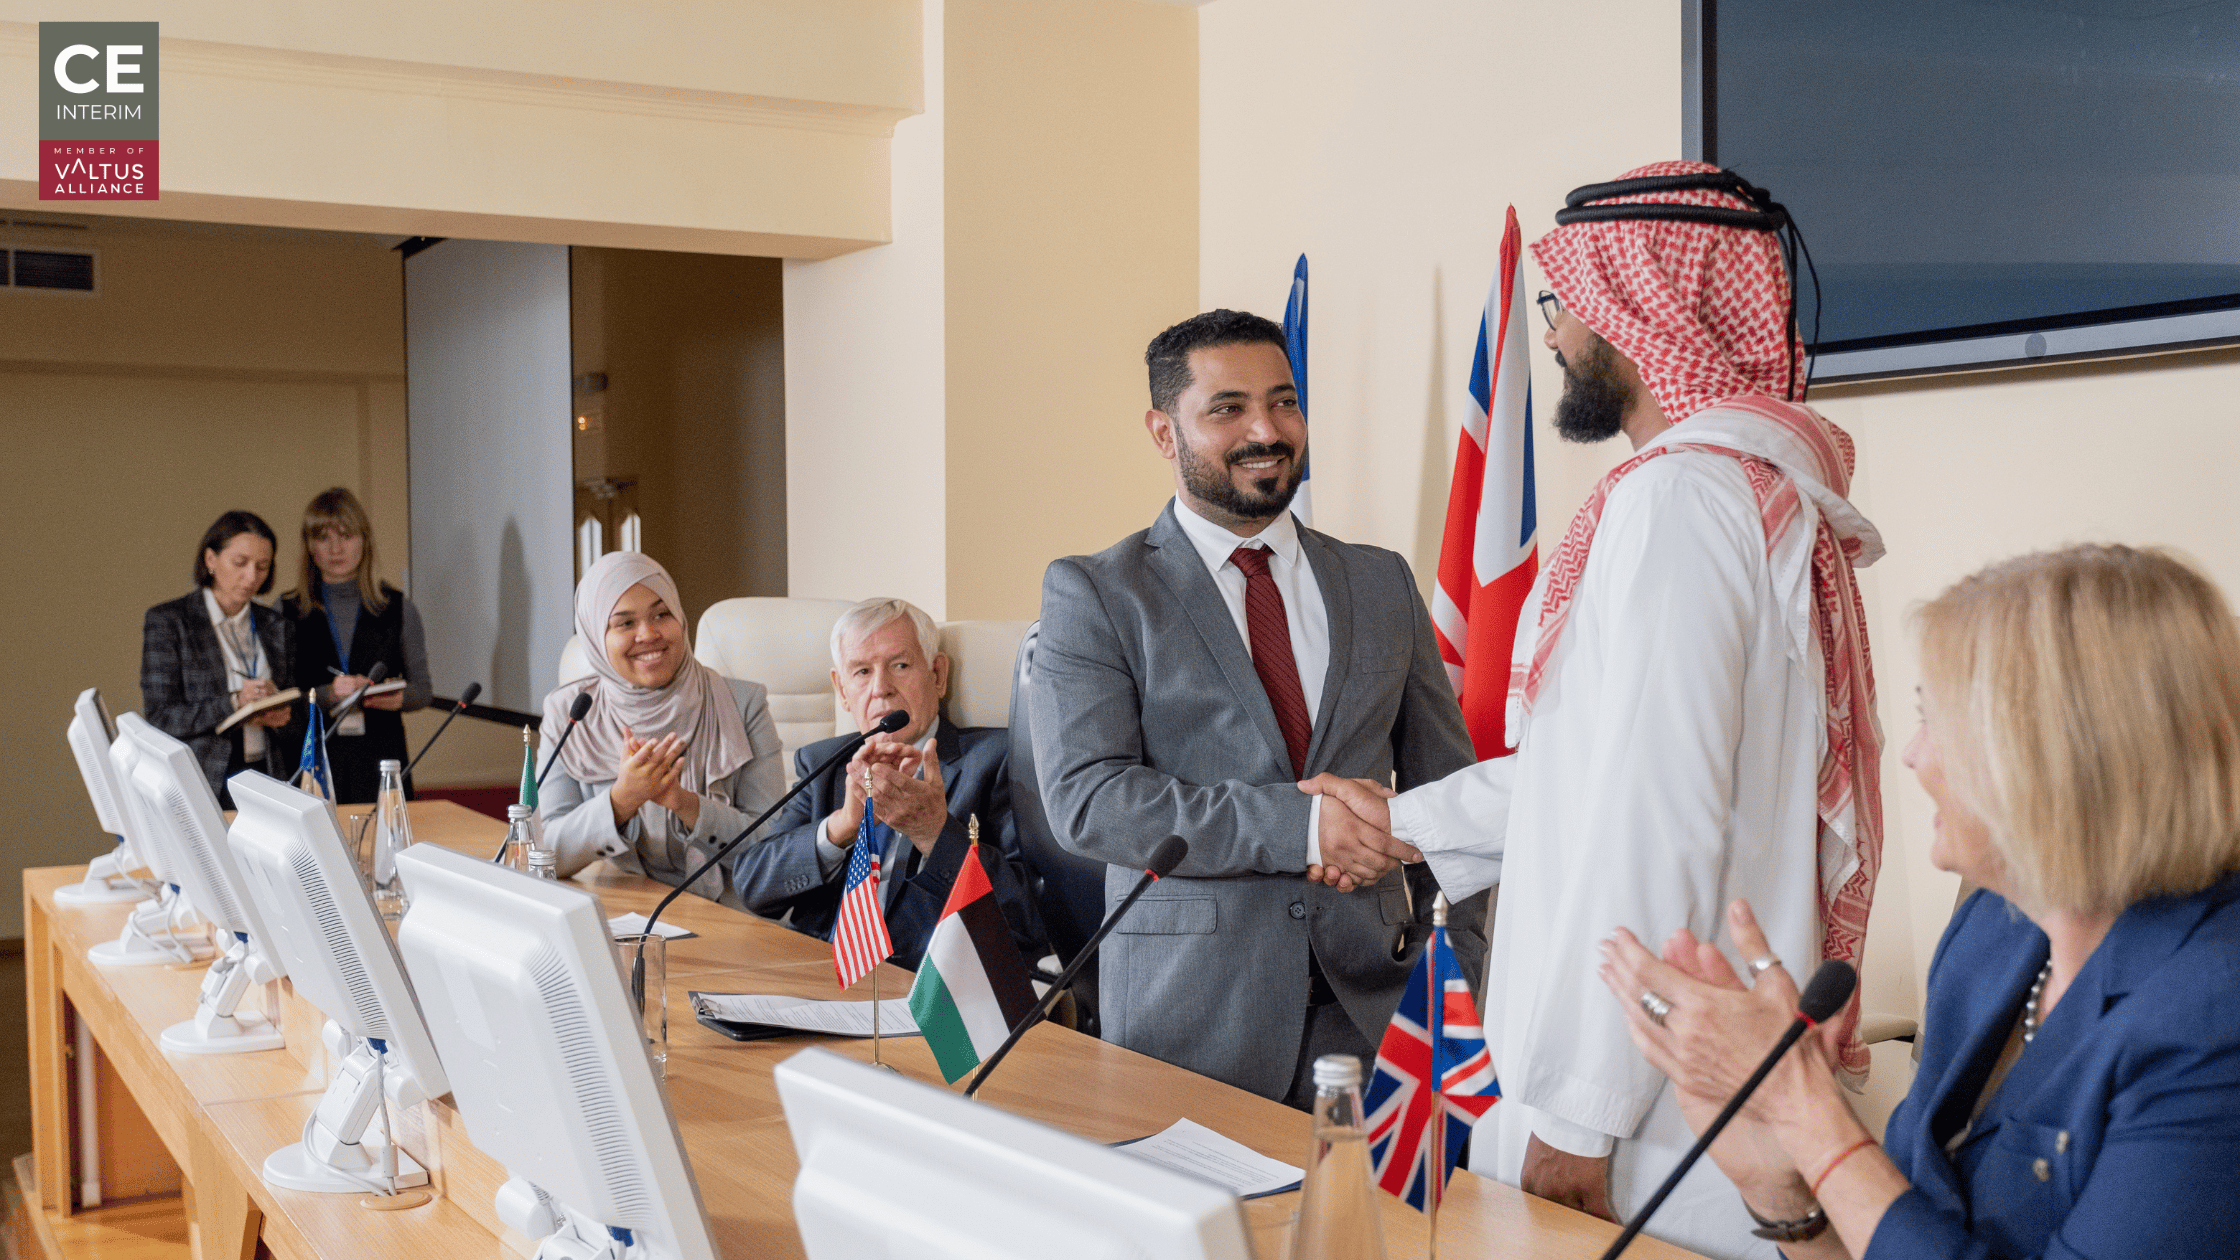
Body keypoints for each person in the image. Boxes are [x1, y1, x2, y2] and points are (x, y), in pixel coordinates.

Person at [1304, 162, 1884, 1255]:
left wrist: (1577, 1120)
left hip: (1652, 1117)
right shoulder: (1740, 490)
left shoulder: (1681, 499)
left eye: (1562, 303)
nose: (1554, 334)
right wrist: (1403, 825)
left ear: (1636, 307)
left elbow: (1652, 816)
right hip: (1680, 1075)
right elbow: (1599, 768)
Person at [1601, 544, 2240, 1259]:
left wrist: (1804, 1107)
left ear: (2050, 757)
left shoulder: (2215, 1017)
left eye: (1933, 719)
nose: (1911, 754)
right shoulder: (1993, 931)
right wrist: (1784, 1188)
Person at [1030, 309, 1480, 1108]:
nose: (1267, 430)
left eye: (1284, 402)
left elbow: (1452, 793)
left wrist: (1470, 980)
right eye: (1228, 408)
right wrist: (1302, 827)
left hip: (1382, 1020)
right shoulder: (1097, 592)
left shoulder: (1381, 581)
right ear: (1164, 433)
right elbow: (1088, 800)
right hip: (1188, 1028)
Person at [735, 598, 1043, 971]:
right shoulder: (824, 765)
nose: (881, 688)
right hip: (817, 974)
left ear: (937, 674)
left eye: (900, 666)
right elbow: (752, 885)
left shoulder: (999, 760)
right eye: (862, 672)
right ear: (842, 689)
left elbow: (1031, 918)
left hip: (924, 987)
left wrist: (935, 833)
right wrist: (842, 826)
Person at [542, 552, 784, 908]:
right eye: (625, 623)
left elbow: (776, 847)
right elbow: (544, 852)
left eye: (661, 614)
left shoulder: (743, 705)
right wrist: (621, 801)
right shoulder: (571, 713)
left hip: (731, 912)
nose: (648, 634)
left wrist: (684, 803)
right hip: (626, 907)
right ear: (595, 637)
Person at [281, 487, 433, 804]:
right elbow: (280, 701)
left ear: (364, 540)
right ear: (309, 546)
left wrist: (394, 698)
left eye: (346, 535)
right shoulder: (286, 612)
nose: (336, 548)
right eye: (323, 538)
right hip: (312, 759)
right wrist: (329, 694)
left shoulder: (398, 608)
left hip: (382, 758)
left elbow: (422, 691)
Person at [141, 510, 300, 808]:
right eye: (240, 563)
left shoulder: (276, 625)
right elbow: (160, 718)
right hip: (204, 778)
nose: (251, 577)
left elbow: (297, 717)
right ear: (210, 559)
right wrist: (235, 703)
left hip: (268, 774)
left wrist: (279, 713)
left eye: (262, 566)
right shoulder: (171, 621)